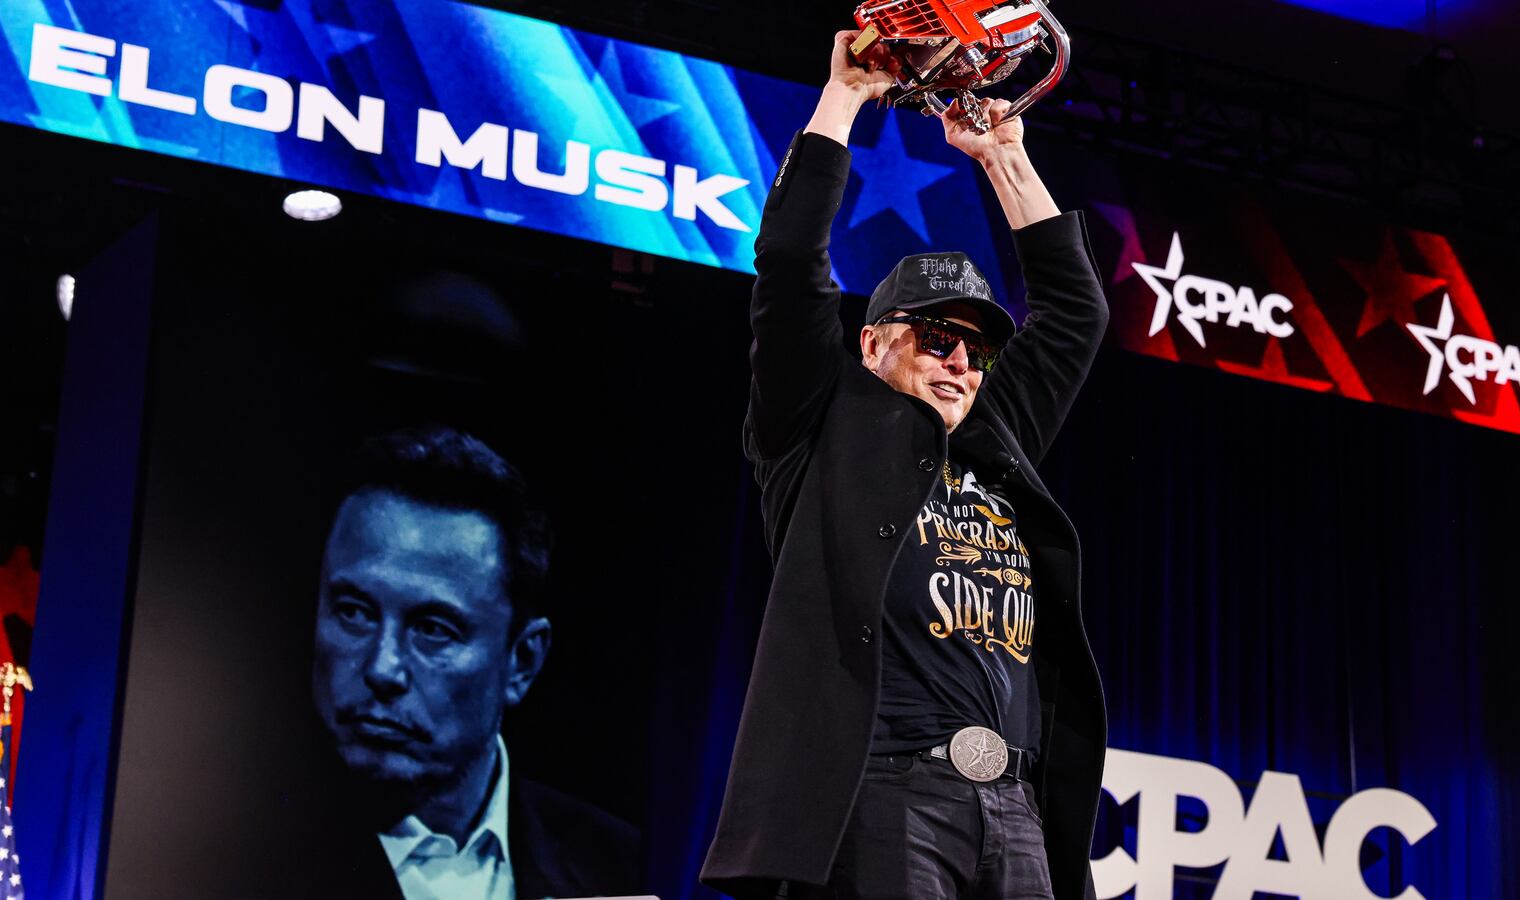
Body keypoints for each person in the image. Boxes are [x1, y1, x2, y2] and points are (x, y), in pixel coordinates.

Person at [701, 30, 1110, 900]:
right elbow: (788, 266)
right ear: (874, 342)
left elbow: (1075, 313)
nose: (962, 361)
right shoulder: (819, 424)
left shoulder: (994, 441)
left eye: (977, 349)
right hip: (884, 791)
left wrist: (1003, 157)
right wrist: (843, 97)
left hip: (1013, 807)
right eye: (937, 336)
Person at [302, 425, 639, 899]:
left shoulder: (615, 863)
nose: (383, 668)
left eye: (433, 628)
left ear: (522, 661)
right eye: (354, 613)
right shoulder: (216, 842)